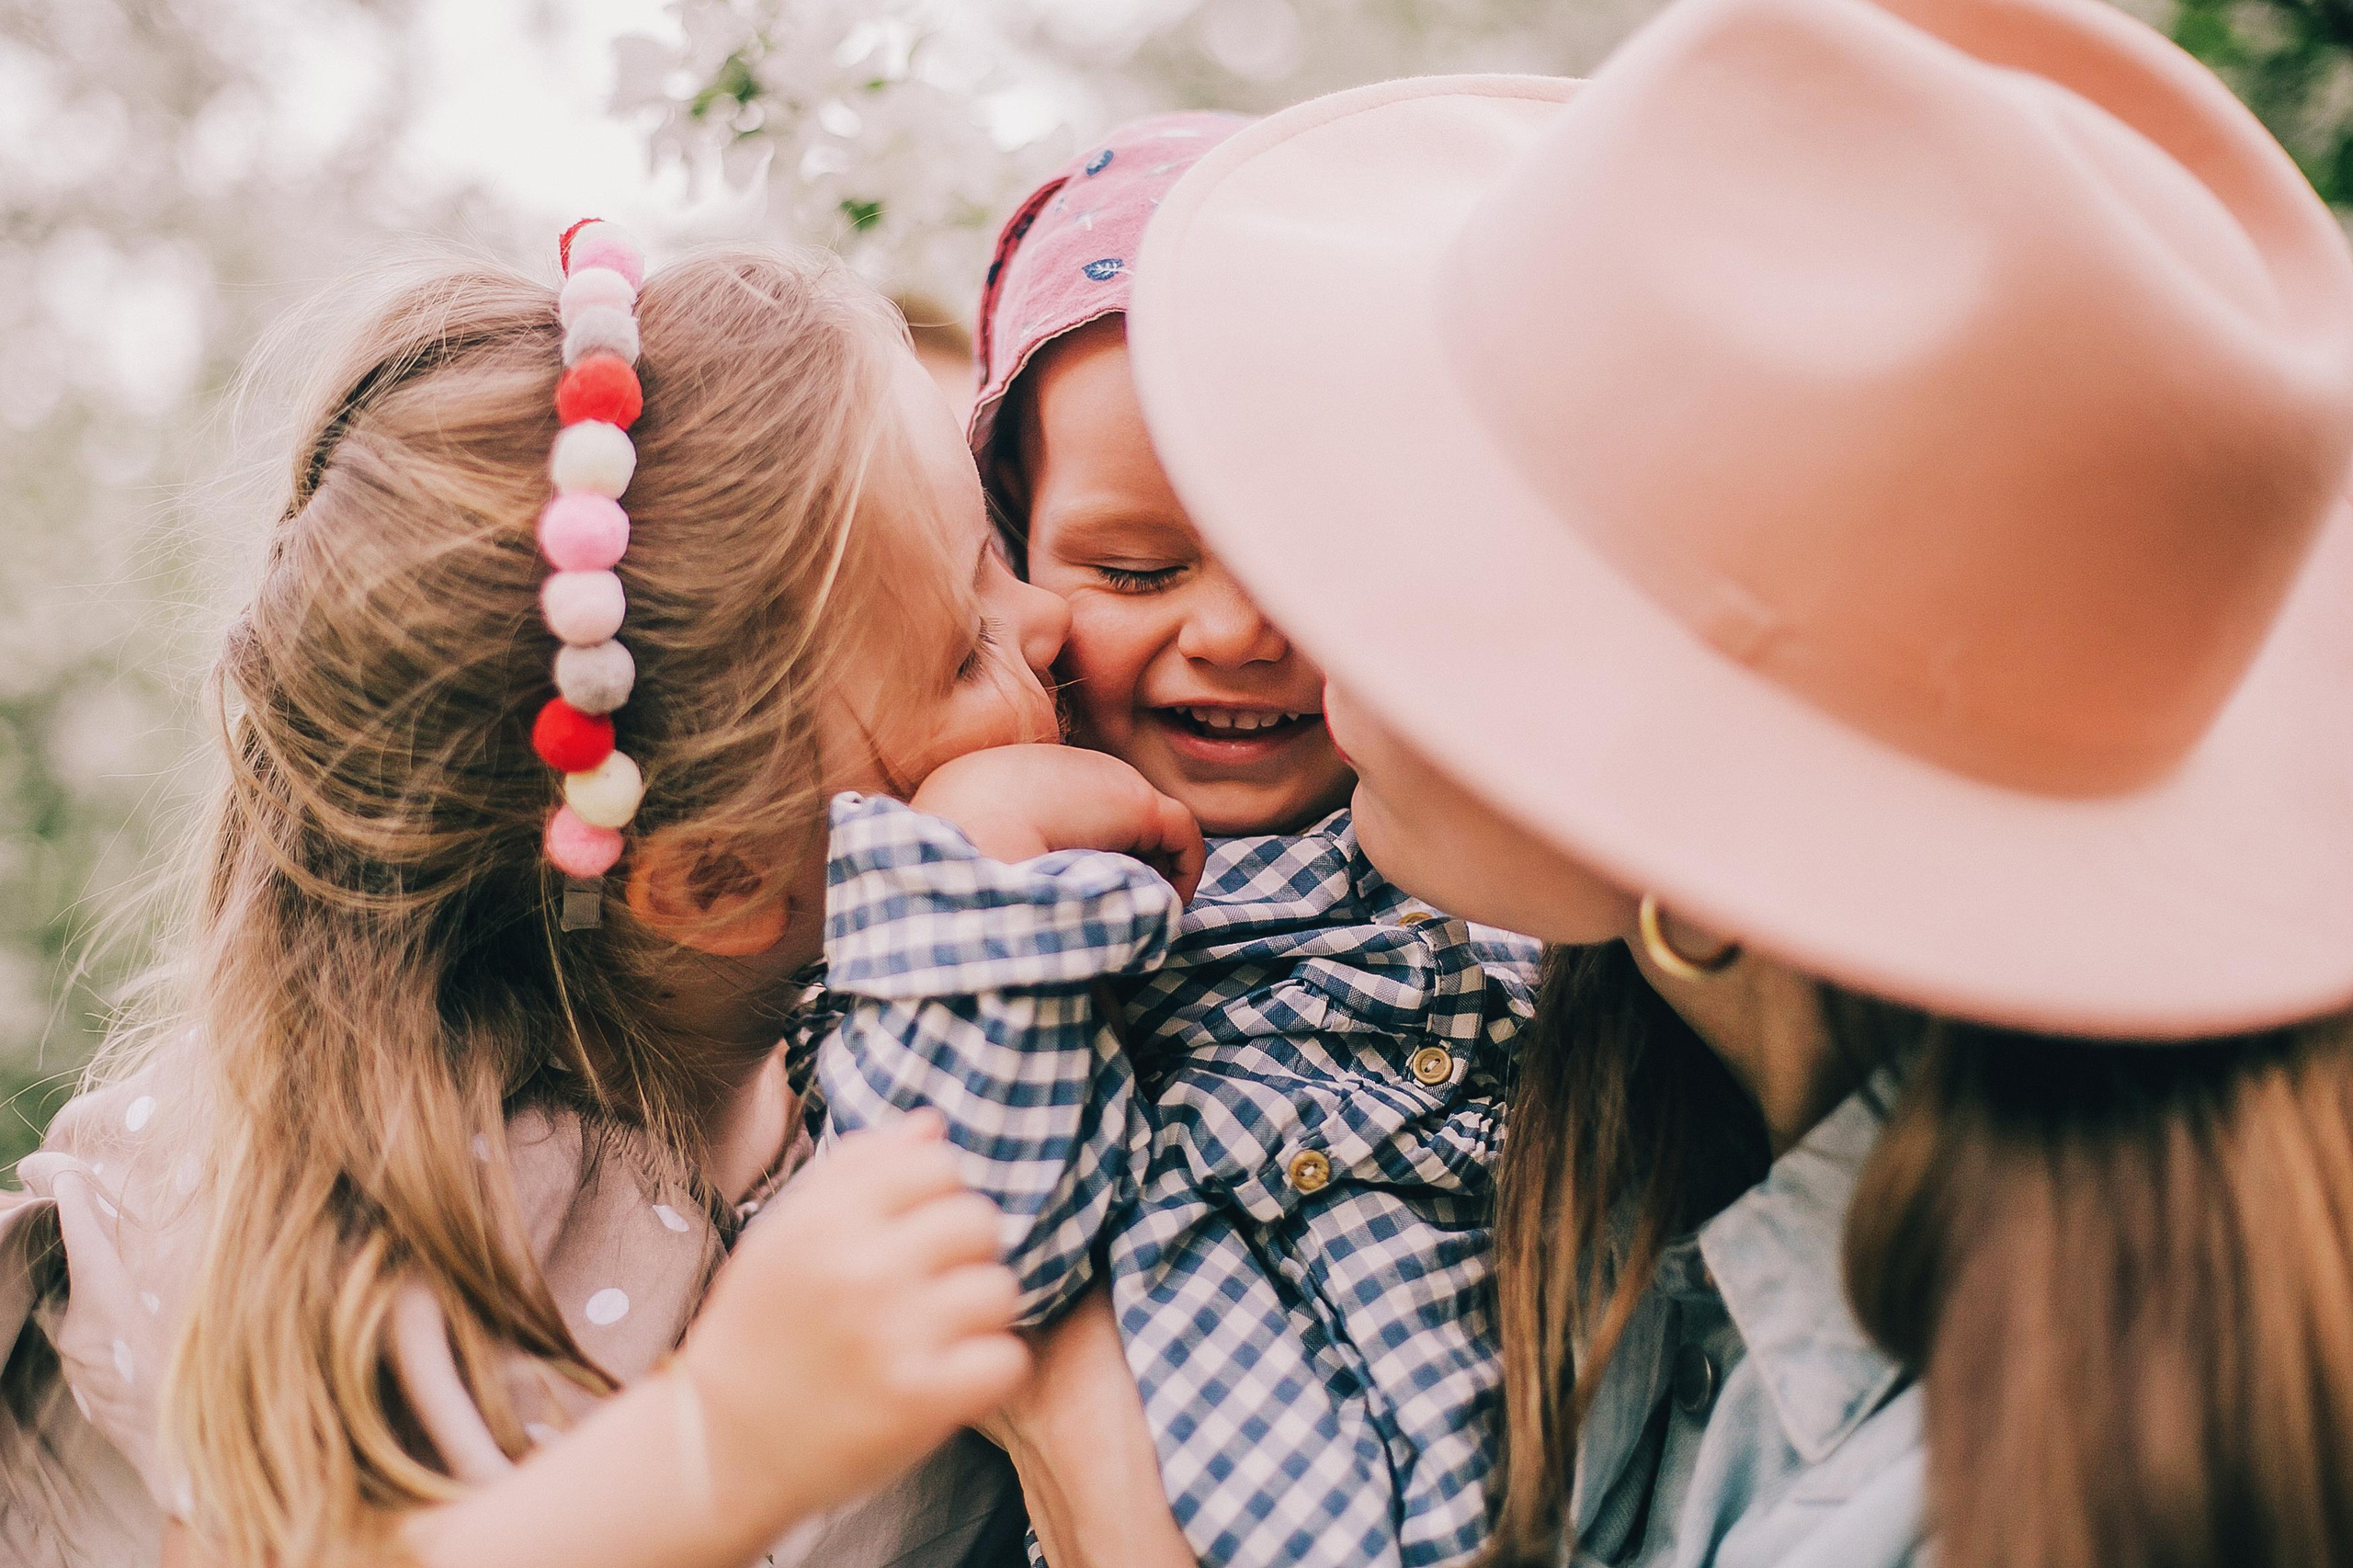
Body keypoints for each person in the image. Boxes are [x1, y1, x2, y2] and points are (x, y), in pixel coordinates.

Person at [1122, 0, 2353, 1562]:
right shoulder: (1680, 1155)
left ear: (1709, 853)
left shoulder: (1958, 1507)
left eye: (1440, 556)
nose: (1310, 619)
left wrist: (1061, 1394)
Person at [0, 225, 1212, 1568]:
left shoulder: (946, 1056)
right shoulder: (350, 1204)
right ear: (722, 879)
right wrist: (714, 1451)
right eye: (965, 640)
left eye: (998, 552)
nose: (1046, 619)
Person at [786, 112, 1543, 1568]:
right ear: (1008, 557)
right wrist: (978, 875)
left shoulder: (1506, 850)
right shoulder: (968, 892)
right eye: (1139, 568)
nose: (1238, 630)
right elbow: (965, 1248)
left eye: (1312, 553)